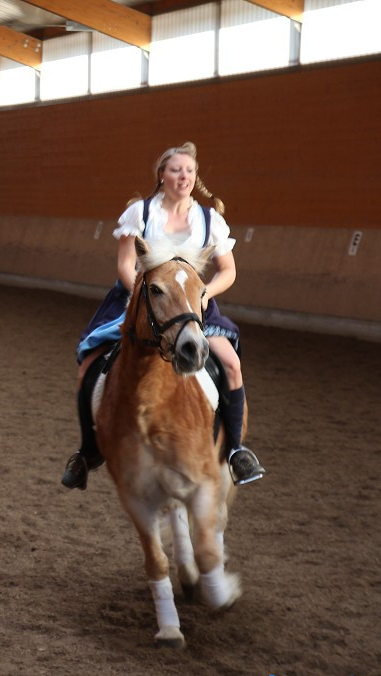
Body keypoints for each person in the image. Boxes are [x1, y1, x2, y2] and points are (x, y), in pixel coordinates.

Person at [60, 141, 266, 491]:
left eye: (189, 170)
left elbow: (228, 271)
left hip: (191, 304)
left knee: (230, 363)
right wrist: (143, 295)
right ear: (162, 175)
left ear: (195, 176)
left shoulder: (209, 219)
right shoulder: (139, 214)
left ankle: (235, 450)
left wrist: (203, 296)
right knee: (88, 366)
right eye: (175, 170)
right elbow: (126, 264)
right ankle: (87, 451)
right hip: (138, 300)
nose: (182, 176)